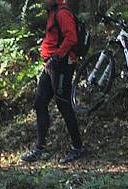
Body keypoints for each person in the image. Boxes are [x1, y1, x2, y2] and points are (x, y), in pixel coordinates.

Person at [21, 0, 84, 164]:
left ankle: (78, 147)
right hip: (51, 65)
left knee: (63, 104)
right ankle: (39, 148)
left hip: (61, 65)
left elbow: (71, 38)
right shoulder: (52, 12)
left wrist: (55, 58)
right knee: (40, 103)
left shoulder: (62, 13)